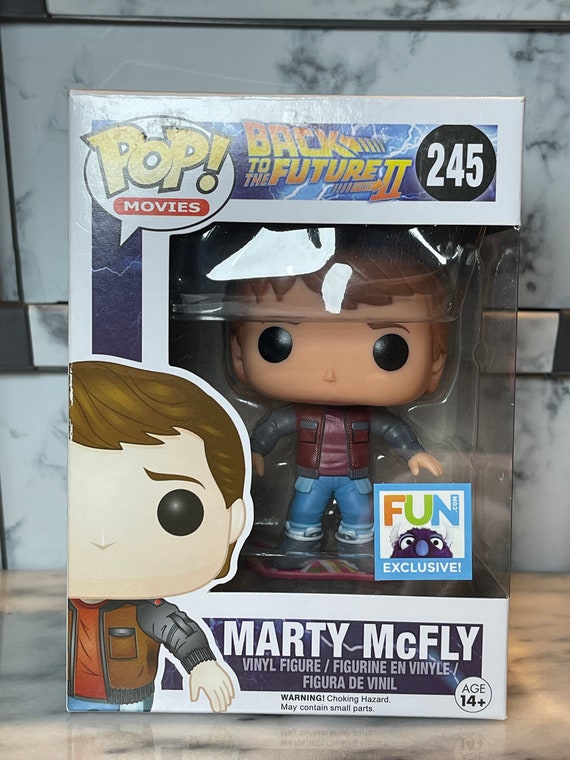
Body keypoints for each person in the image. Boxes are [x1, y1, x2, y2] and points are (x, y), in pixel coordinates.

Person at [224, 225, 477, 569]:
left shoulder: (364, 416)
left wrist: (413, 452)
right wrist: (254, 449)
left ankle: (357, 552)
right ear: (238, 350)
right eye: (278, 341)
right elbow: (273, 426)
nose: (330, 372)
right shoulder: (300, 414)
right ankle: (298, 548)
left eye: (388, 349)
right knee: (303, 512)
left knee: (359, 515)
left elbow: (392, 429)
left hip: (355, 480)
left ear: (436, 360)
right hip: (310, 478)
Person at [67, 360, 248, 711]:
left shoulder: (143, 609)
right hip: (67, 699)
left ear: (233, 520)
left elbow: (178, 630)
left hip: (128, 702)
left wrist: (203, 664)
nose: (103, 539)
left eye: (176, 509)